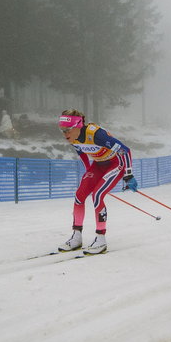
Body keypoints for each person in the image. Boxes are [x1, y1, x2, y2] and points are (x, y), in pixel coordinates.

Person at [56, 108, 136, 255]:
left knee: (97, 195)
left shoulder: (96, 134)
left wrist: (128, 175)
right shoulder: (73, 138)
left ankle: (101, 238)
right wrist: (89, 172)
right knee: (79, 196)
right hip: (98, 165)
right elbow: (83, 154)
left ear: (78, 125)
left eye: (68, 130)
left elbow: (125, 150)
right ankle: (77, 236)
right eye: (62, 130)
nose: (65, 134)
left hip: (115, 164)